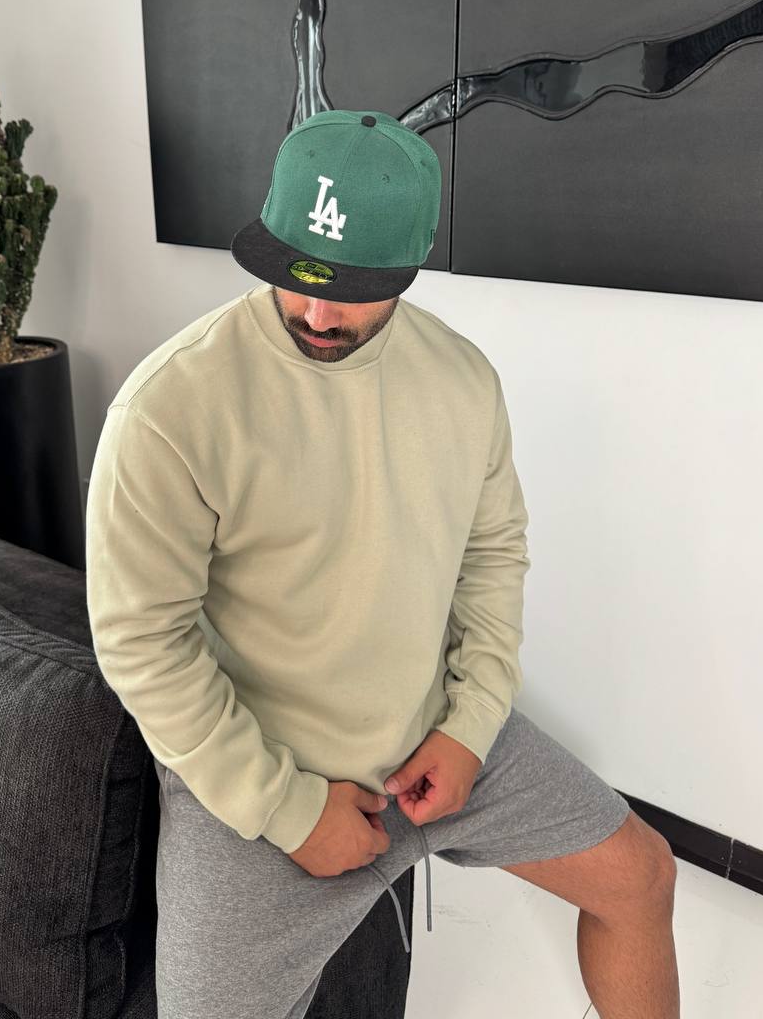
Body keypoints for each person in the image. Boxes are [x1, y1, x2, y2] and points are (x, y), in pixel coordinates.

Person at [85, 109, 680, 1019]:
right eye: (295, 275)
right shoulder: (170, 408)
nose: (318, 314)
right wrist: (288, 810)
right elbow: (141, 643)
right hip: (261, 777)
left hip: (430, 735)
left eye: (353, 288)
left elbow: (492, 556)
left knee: (641, 876)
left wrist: (470, 728)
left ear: (409, 266)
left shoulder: (463, 381)